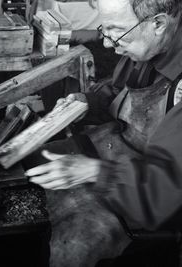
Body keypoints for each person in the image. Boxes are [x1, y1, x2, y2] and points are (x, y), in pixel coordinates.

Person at [24, 0, 182, 266]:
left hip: (154, 193)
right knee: (33, 160)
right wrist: (89, 101)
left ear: (158, 24)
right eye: (104, 29)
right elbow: (122, 92)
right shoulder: (150, 45)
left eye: (116, 31)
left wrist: (94, 172)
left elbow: (163, 195)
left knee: (74, 246)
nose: (108, 44)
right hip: (118, 151)